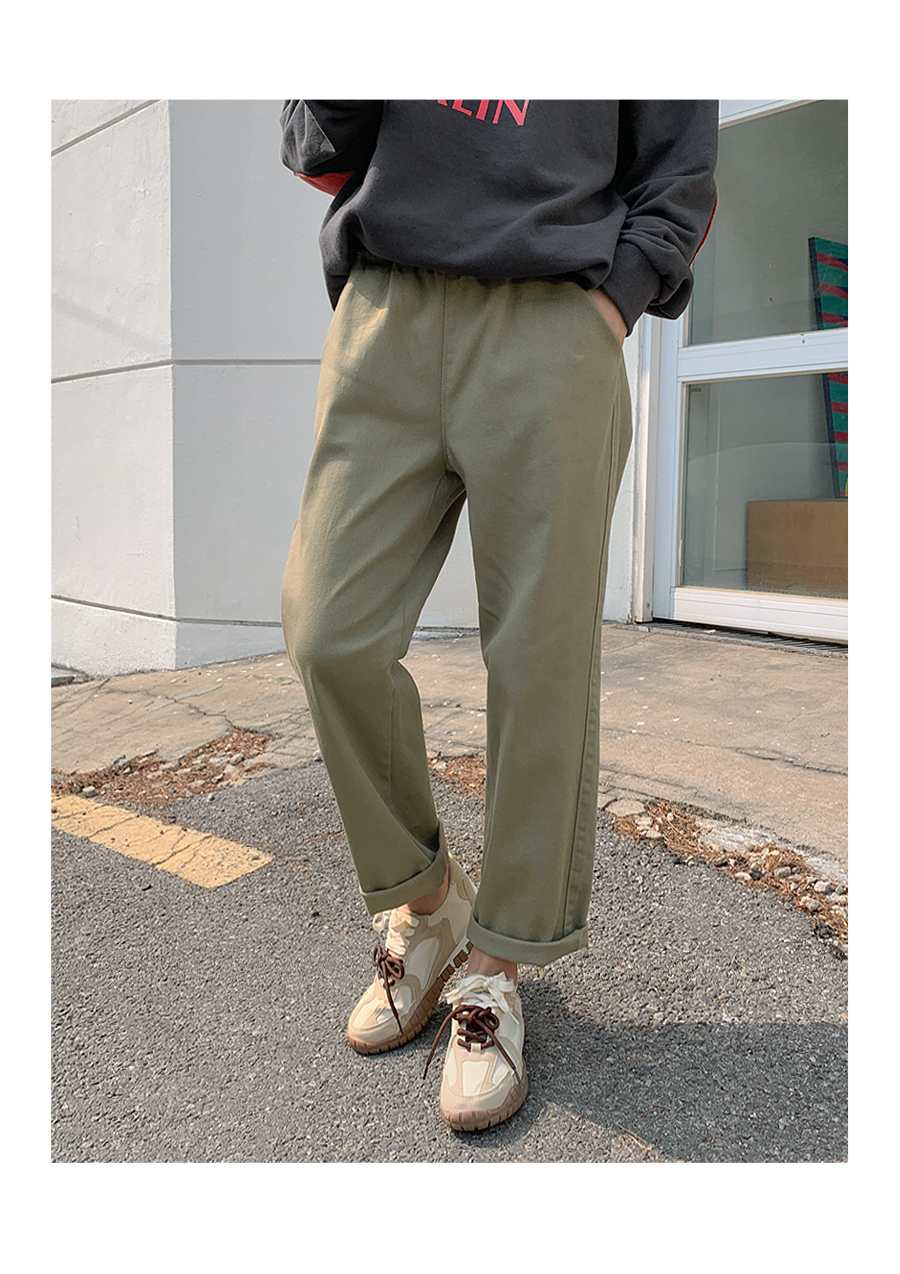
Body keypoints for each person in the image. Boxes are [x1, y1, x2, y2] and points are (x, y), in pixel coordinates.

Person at [279, 99, 718, 1132]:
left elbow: (678, 171)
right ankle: (429, 902)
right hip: (386, 314)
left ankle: (497, 965)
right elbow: (313, 140)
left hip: (552, 319)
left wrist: (608, 304)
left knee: (539, 658)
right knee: (327, 630)